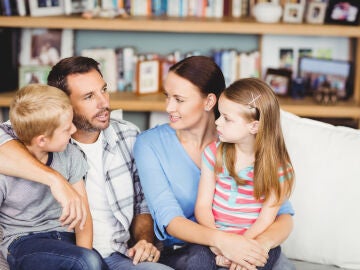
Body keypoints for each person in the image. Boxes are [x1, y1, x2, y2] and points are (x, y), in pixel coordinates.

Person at [0, 56, 172, 270]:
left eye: (104, 90)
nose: (105, 103)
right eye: (89, 96)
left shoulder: (127, 135)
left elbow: (141, 204)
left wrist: (143, 242)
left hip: (116, 255)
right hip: (50, 252)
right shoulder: (38, 129)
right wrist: (54, 179)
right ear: (63, 103)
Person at [133, 56, 295, 270]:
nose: (168, 107)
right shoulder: (149, 144)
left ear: (209, 101)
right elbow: (169, 220)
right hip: (190, 250)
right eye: (167, 96)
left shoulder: (238, 138)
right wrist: (223, 243)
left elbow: (282, 216)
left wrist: (253, 248)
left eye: (179, 99)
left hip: (250, 244)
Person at [0, 84, 107, 270]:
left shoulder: (71, 155)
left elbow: (83, 217)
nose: (74, 130)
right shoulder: (5, 169)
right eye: (66, 129)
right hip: (23, 243)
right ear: (42, 140)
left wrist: (87, 254)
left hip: (66, 240)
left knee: (91, 261)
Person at [195, 78, 295, 269]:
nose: (217, 122)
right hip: (216, 236)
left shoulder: (279, 169)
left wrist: (241, 249)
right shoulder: (213, 153)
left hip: (254, 239)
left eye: (227, 118)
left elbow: (266, 219)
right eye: (219, 115)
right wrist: (220, 244)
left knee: (255, 262)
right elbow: (202, 206)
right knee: (196, 261)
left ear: (254, 126)